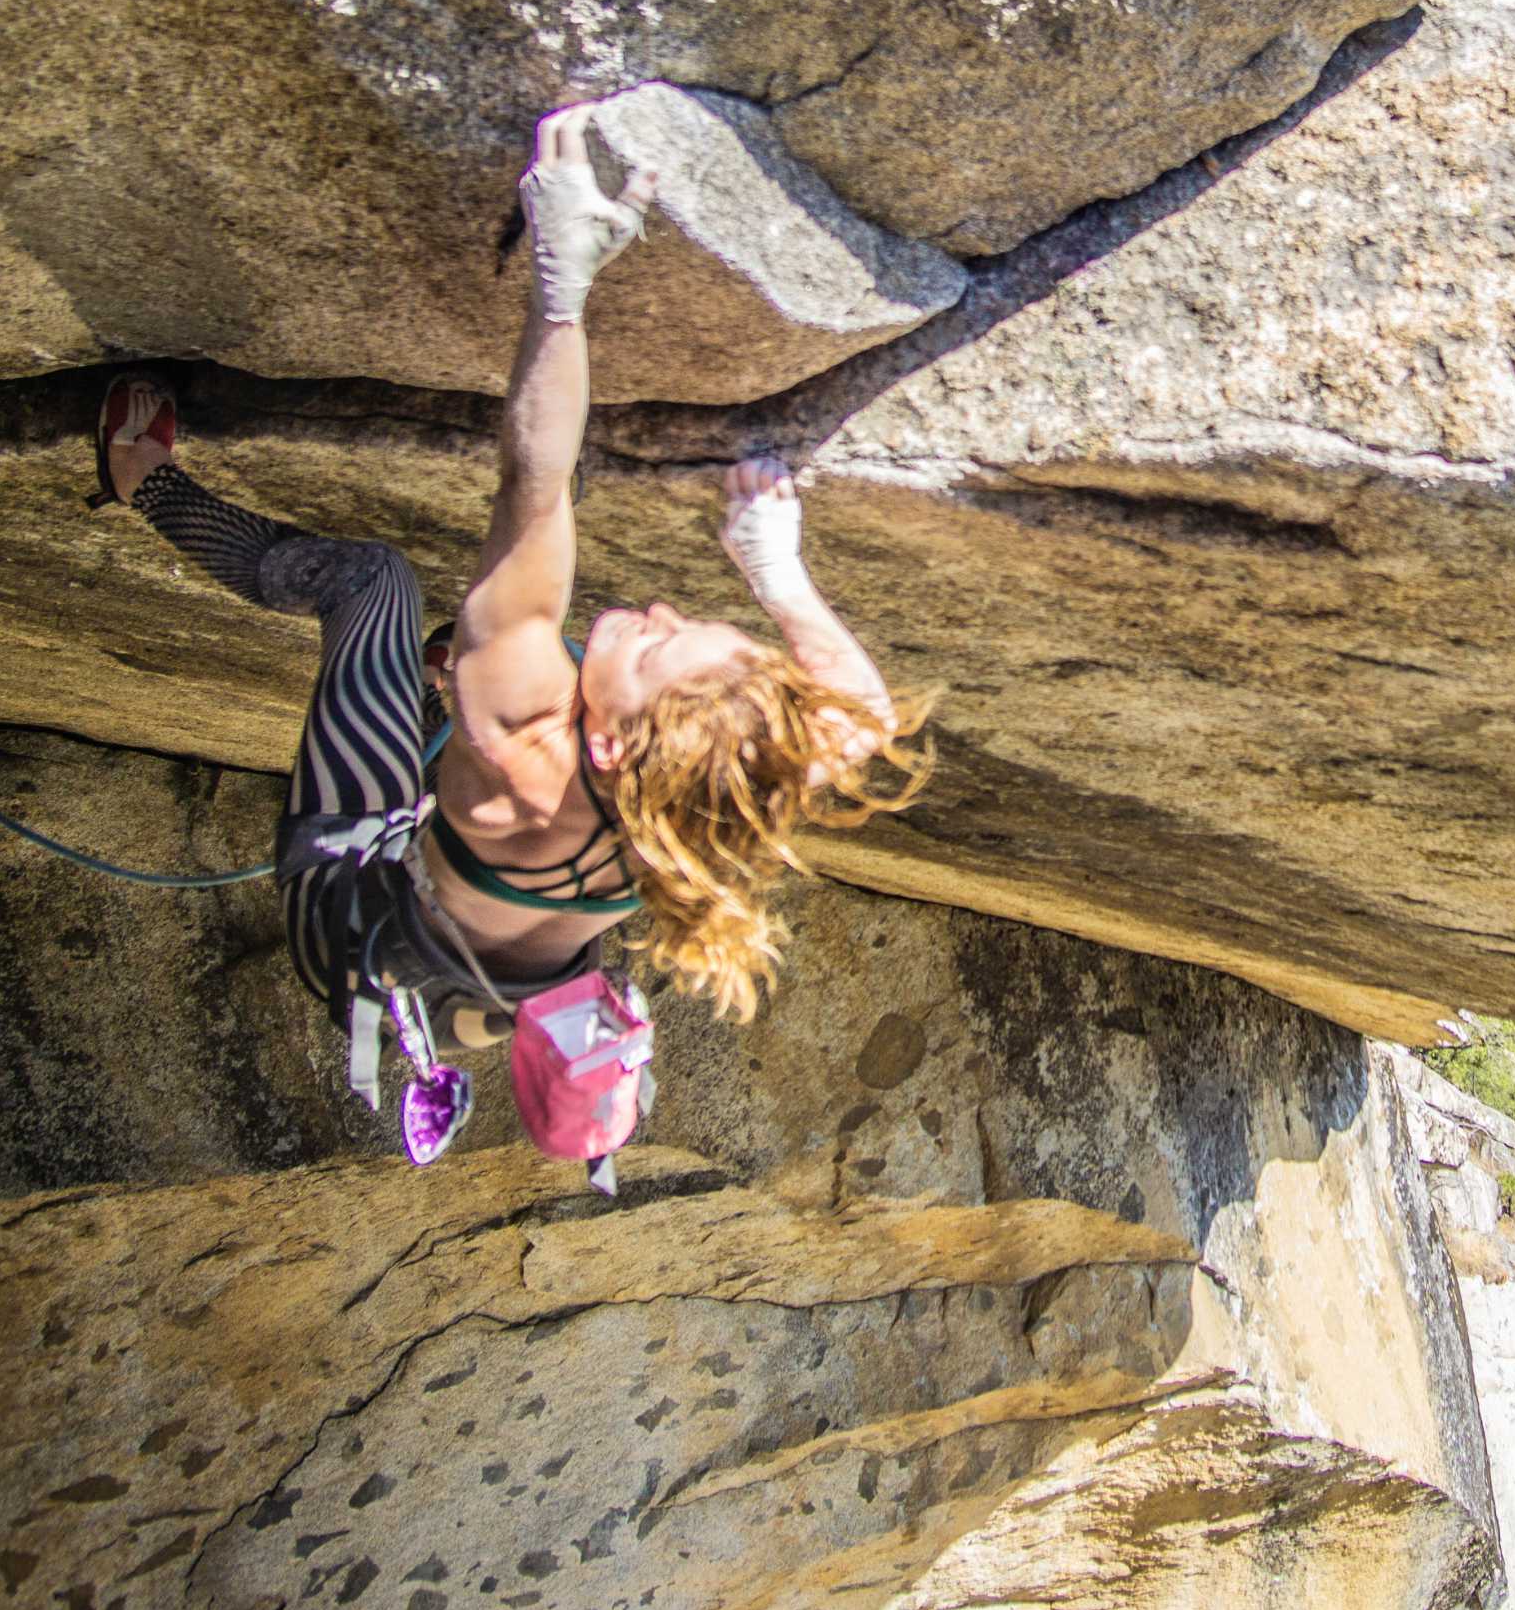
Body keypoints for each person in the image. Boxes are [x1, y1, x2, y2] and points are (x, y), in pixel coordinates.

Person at [89, 94, 926, 1099]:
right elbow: (863, 719)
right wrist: (775, 569)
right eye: (693, 623)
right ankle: (455, 697)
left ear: (608, 746)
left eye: (658, 646)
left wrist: (562, 284)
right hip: (503, 976)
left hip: (358, 925)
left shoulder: (522, 734)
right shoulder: (717, 788)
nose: (659, 611)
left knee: (376, 586)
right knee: (537, 607)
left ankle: (140, 477)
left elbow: (532, 479)